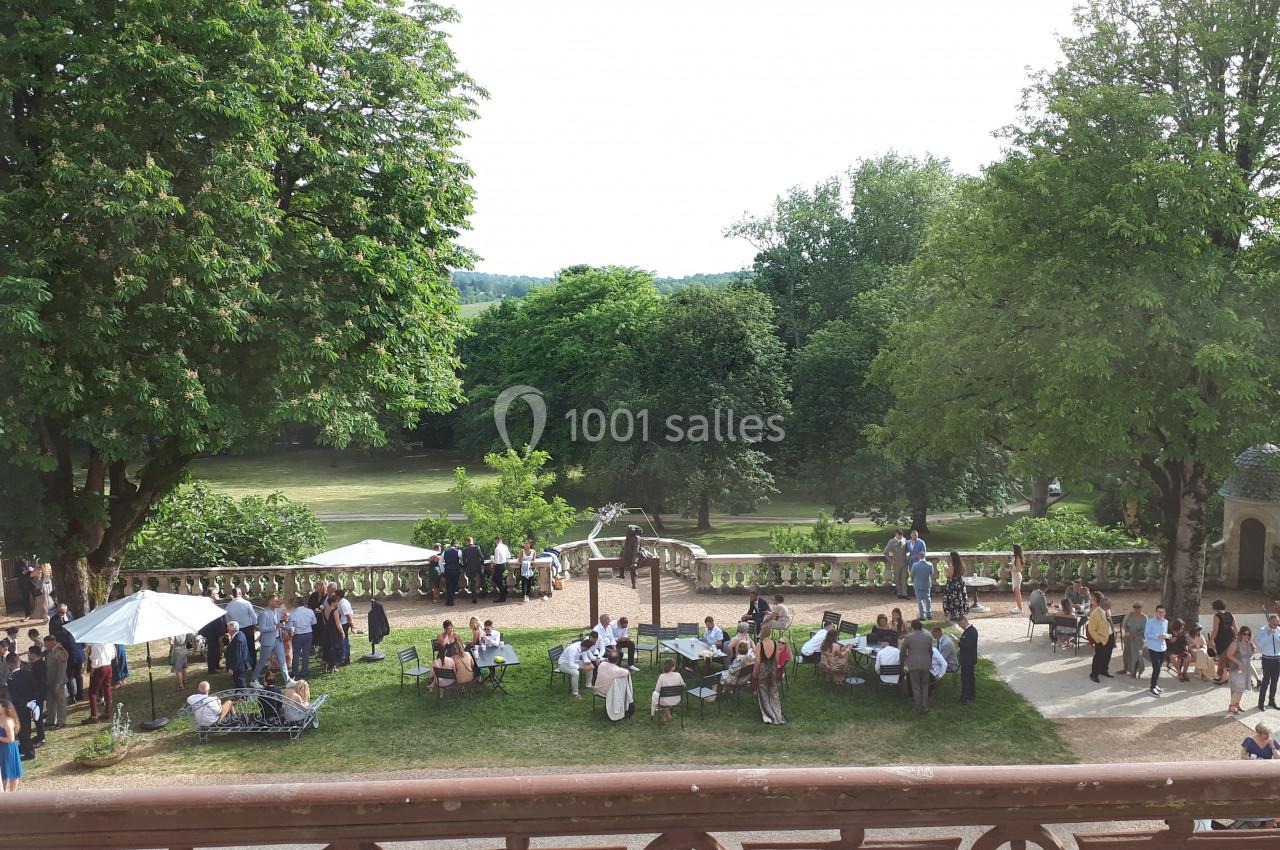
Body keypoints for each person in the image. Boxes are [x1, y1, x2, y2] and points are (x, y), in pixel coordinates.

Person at [251, 595, 293, 689]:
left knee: (282, 661)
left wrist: (285, 627)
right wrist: (276, 627)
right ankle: (254, 680)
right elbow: (262, 628)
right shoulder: (264, 613)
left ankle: (288, 681)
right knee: (262, 661)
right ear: (269, 602)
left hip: (278, 640)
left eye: (278, 601)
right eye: (275, 601)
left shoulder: (278, 611)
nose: (277, 603)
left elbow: (281, 622)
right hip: (268, 641)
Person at [753, 623, 785, 725]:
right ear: (770, 633)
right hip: (772, 669)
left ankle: (768, 715)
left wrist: (755, 672)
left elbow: (758, 661)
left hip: (763, 669)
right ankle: (778, 714)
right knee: (773, 692)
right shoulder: (775, 643)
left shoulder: (759, 645)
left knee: (763, 691)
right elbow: (776, 659)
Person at [901, 620, 934, 715]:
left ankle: (917, 707)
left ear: (912, 627)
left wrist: (903, 662)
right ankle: (925, 707)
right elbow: (930, 652)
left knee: (916, 687)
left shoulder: (908, 637)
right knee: (924, 686)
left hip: (913, 664)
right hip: (925, 664)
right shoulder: (928, 637)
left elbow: (902, 652)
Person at [593, 648, 634, 721]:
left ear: (607, 658)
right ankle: (628, 701)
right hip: (608, 692)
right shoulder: (617, 671)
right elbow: (627, 672)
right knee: (622, 680)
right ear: (617, 661)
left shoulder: (602, 665)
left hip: (597, 689)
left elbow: (604, 664)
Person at [1226, 627, 1256, 715]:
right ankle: (1232, 706)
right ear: (1240, 634)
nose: (1246, 636)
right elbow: (1229, 654)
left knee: (1241, 688)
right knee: (1238, 688)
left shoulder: (1248, 643)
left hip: (1245, 668)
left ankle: (1237, 704)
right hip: (1237, 668)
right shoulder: (1235, 643)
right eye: (1244, 634)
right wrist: (1239, 662)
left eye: (1248, 634)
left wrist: (1253, 650)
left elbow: (1248, 656)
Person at [198, 589, 228, 674]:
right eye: (216, 593)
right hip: (212, 632)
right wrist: (220, 632)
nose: (218, 595)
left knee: (217, 649)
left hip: (216, 631)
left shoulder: (214, 603)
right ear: (211, 595)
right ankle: (212, 668)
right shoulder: (209, 604)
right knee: (212, 650)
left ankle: (216, 665)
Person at [83, 642, 115, 724]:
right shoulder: (110, 642)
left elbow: (95, 658)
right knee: (107, 689)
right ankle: (107, 712)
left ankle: (94, 715)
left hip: (99, 668)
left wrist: (93, 669)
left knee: (93, 692)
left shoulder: (95, 644)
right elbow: (113, 656)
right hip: (108, 666)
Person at [1086, 594, 1115, 683]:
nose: (1111, 606)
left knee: (1107, 655)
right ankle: (1094, 675)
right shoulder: (1095, 614)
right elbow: (1091, 629)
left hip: (1110, 637)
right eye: (1110, 604)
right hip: (1101, 638)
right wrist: (1098, 639)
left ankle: (1104, 670)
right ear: (1105, 605)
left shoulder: (1107, 611)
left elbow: (1109, 623)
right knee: (1099, 657)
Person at [225, 588, 257, 669]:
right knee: (251, 647)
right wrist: (254, 624)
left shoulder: (228, 606)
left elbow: (227, 620)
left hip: (236, 629)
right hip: (248, 627)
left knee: (239, 648)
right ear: (240, 593)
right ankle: (253, 664)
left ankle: (241, 665)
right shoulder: (246, 603)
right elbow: (253, 616)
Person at [1145, 604, 1172, 697]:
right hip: (1153, 648)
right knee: (1156, 668)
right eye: (1159, 612)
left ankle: (1155, 685)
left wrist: (1168, 636)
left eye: (1162, 612)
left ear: (1165, 613)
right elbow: (1147, 635)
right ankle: (1152, 687)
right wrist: (1157, 637)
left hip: (1162, 648)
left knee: (1158, 668)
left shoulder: (1166, 621)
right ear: (1156, 612)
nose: (1161, 614)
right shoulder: (1150, 622)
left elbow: (1165, 634)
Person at [42, 635, 67, 730]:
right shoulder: (49, 650)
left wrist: (58, 683)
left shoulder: (60, 652)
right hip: (50, 680)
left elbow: (62, 670)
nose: (44, 645)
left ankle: (61, 721)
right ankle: (50, 720)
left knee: (60, 701)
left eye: (46, 643)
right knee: (50, 702)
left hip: (57, 681)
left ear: (52, 642)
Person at [288, 596, 316, 681]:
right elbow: (314, 622)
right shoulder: (310, 611)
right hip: (308, 633)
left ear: (296, 603)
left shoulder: (293, 614)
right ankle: (304, 670)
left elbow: (290, 626)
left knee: (296, 654)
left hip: (298, 634)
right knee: (306, 653)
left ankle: (294, 671)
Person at [1211, 599, 1237, 686]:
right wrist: (1236, 638)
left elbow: (1215, 631)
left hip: (1221, 640)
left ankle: (1223, 677)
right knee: (1225, 658)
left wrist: (1211, 640)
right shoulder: (1230, 614)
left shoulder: (1217, 616)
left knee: (1222, 658)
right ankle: (1221, 675)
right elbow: (1235, 628)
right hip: (1230, 639)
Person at [24, 646, 46, 747]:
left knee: (38, 716)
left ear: (33, 654)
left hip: (38, 695)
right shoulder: (36, 664)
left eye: (29, 653)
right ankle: (39, 735)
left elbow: (40, 682)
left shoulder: (40, 665)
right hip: (36, 694)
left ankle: (42, 738)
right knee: (36, 717)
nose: (28, 655)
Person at [0, 700, 23, 792]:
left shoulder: (8, 721)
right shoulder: (2, 718)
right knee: (3, 772)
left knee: (11, 771)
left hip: (8, 749)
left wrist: (0, 738)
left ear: (5, 708)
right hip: (2, 748)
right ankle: (3, 793)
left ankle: (12, 794)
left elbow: (11, 739)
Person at [1260, 614, 1280, 712]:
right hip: (1267, 658)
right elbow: (1260, 644)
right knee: (1266, 681)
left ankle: (1272, 701)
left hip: (1277, 658)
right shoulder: (1263, 630)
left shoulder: (1279, 630)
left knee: (1275, 681)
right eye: (1275, 624)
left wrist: (1275, 634)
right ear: (1270, 622)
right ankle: (1261, 702)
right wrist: (1268, 634)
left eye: (1278, 624)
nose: (1276, 625)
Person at [320, 595, 345, 674]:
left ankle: (329, 665)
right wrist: (342, 632)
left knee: (328, 647)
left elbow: (324, 622)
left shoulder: (324, 610)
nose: (338, 603)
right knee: (335, 648)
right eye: (337, 602)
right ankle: (333, 666)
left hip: (327, 631)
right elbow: (338, 623)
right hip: (334, 631)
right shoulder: (335, 611)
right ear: (334, 602)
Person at [1121, 603, 1147, 678]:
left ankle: (1135, 672)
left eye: (1138, 607)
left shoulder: (1144, 618)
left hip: (1138, 640)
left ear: (1141, 608)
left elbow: (1144, 630)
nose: (1136, 609)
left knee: (1138, 655)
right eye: (1135, 607)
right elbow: (1125, 626)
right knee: (1126, 653)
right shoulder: (1130, 615)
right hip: (1128, 638)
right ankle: (1125, 669)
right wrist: (1128, 633)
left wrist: (1135, 635)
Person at [942, 551, 969, 621]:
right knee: (960, 599)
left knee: (952, 600)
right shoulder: (961, 564)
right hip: (959, 584)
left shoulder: (952, 565)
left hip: (953, 585)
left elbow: (950, 575)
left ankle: (953, 615)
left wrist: (946, 569)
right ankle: (960, 613)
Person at [957, 615, 978, 705]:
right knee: (969, 678)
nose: (960, 626)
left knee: (966, 679)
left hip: (968, 660)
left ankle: (965, 697)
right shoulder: (969, 631)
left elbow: (969, 646)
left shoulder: (971, 632)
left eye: (960, 624)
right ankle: (970, 695)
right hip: (967, 659)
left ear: (964, 622)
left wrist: (959, 643)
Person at [909, 554, 935, 621]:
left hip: (917, 584)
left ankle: (922, 615)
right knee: (928, 599)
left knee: (920, 600)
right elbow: (932, 574)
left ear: (919, 557)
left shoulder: (915, 565)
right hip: (927, 584)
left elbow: (912, 575)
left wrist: (914, 580)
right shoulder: (930, 565)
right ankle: (929, 614)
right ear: (925, 557)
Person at [884, 530, 910, 599]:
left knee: (904, 578)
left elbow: (908, 550)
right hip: (896, 563)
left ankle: (905, 593)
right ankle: (899, 593)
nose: (900, 537)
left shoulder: (905, 540)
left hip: (904, 563)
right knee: (897, 578)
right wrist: (891, 560)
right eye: (899, 535)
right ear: (896, 534)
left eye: (901, 536)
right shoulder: (891, 542)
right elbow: (885, 552)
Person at [462, 536, 486, 602]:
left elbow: (464, 560)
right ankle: (484, 593)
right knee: (482, 579)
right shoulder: (477, 547)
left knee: (472, 582)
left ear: (467, 542)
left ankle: (474, 598)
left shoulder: (465, 549)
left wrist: (466, 566)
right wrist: (482, 564)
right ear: (472, 541)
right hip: (478, 566)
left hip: (470, 567)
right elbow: (482, 557)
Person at [442, 540, 463, 606]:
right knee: (454, 585)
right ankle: (451, 600)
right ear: (455, 545)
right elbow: (462, 561)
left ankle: (449, 600)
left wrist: (443, 570)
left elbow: (440, 562)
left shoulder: (444, 552)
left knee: (448, 585)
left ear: (450, 545)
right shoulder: (458, 552)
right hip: (456, 570)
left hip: (447, 570)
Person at [491, 536, 511, 603]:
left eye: (494, 540)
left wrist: (493, 564)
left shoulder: (497, 548)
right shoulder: (505, 546)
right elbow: (509, 556)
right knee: (502, 580)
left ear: (496, 540)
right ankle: (504, 592)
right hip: (504, 565)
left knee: (496, 579)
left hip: (499, 566)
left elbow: (496, 561)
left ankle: (502, 596)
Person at [1009, 544, 1025, 614]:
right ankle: (1018, 606)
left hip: (1016, 576)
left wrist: (1011, 569)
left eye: (1012, 548)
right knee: (1016, 593)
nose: (1012, 549)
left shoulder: (1017, 558)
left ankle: (1020, 608)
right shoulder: (1016, 557)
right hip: (1014, 576)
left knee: (1017, 593)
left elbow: (1019, 569)